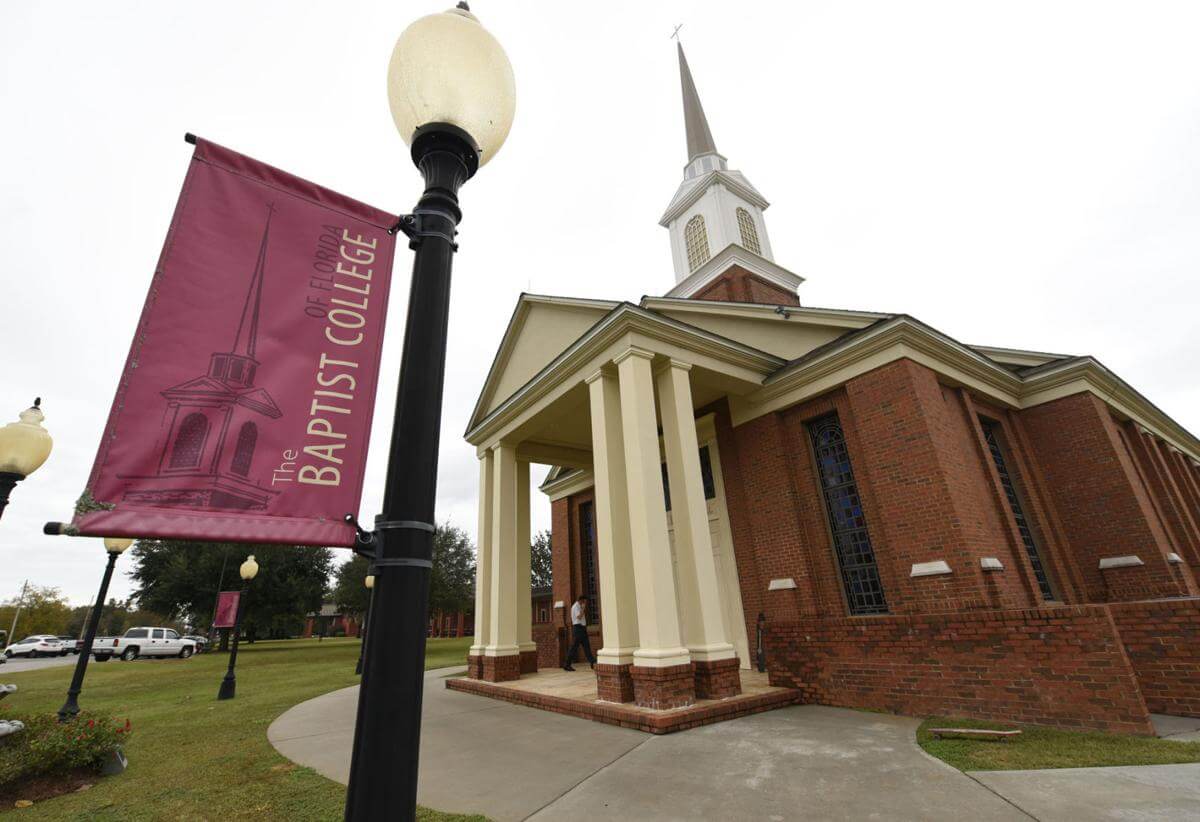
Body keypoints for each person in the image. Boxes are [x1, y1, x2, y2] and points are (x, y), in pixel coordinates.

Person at [563, 595, 596, 671]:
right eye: (585, 601)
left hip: (582, 629)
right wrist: (583, 608)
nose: (585, 603)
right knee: (573, 648)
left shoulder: (579, 606)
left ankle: (592, 662)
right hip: (578, 629)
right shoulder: (575, 607)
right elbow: (579, 617)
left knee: (587, 646)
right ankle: (567, 664)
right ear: (581, 600)